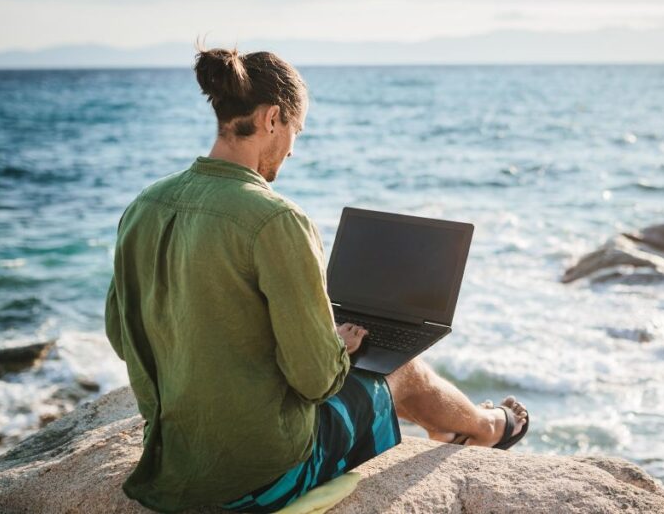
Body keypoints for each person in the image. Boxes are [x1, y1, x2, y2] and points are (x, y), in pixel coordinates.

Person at [104, 41, 529, 514]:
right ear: (271, 119)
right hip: (258, 479)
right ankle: (489, 428)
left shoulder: (144, 205)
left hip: (172, 467)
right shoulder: (274, 219)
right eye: (296, 131)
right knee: (399, 369)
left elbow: (122, 337)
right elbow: (314, 380)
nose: (291, 150)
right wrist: (337, 346)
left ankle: (450, 429)